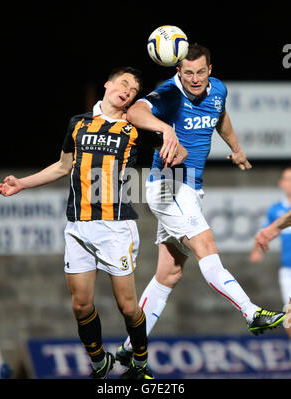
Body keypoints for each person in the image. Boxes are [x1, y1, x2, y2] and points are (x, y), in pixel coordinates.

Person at [0, 66, 185, 380]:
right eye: (124, 84)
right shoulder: (78, 123)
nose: (127, 91)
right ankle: (99, 362)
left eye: (133, 90)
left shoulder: (134, 125)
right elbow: (62, 166)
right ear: (108, 85)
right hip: (78, 225)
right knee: (81, 305)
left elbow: (178, 149)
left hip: (115, 226)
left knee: (128, 306)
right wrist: (22, 184)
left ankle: (139, 362)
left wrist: (171, 138)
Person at [116, 44, 286, 366]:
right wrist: (165, 128)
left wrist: (236, 148)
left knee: (169, 274)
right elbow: (135, 113)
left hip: (190, 188)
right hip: (169, 184)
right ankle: (252, 312)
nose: (194, 79)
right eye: (187, 72)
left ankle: (130, 346)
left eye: (200, 72)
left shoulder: (219, 88)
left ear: (211, 69)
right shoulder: (169, 93)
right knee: (206, 245)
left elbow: (220, 115)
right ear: (178, 71)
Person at [250, 167, 291, 306]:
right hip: (288, 268)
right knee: (289, 314)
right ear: (281, 183)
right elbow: (265, 232)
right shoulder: (276, 210)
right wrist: (257, 250)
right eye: (287, 179)